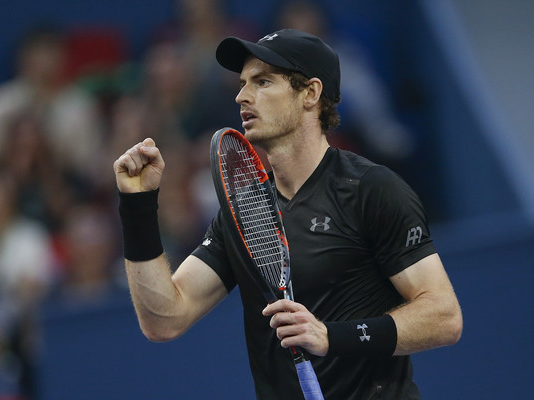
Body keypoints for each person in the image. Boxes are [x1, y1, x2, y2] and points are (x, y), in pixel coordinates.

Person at [113, 29, 462, 399]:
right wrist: (137, 208)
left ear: (310, 93)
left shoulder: (371, 190)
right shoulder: (243, 211)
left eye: (263, 81)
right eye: (243, 83)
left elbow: (444, 316)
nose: (242, 95)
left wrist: (331, 337)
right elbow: (163, 320)